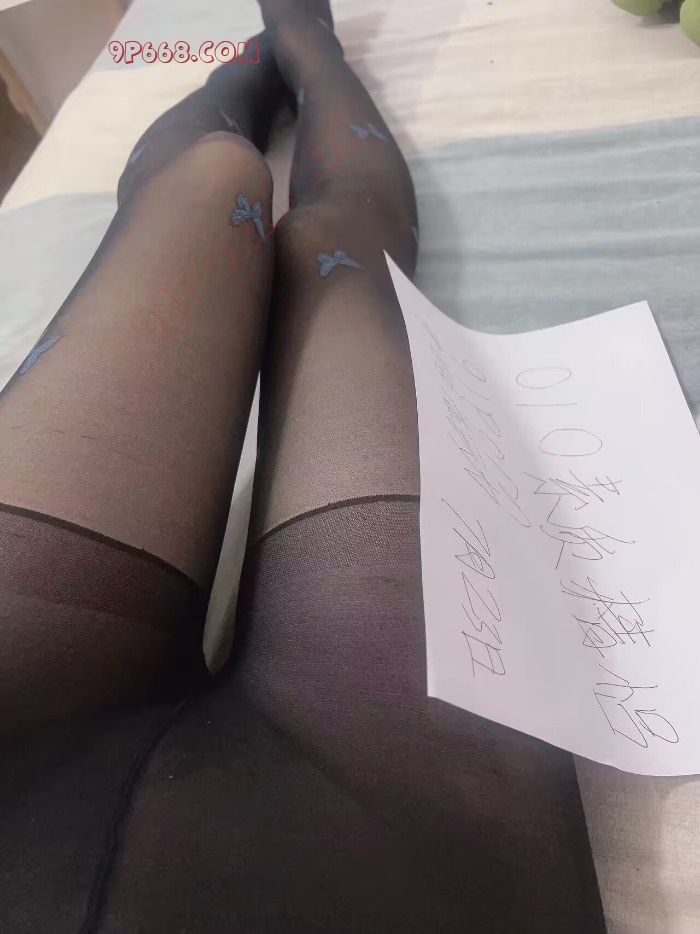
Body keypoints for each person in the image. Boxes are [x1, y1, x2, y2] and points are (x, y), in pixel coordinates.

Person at [0, 2, 605, 930]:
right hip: (398, 845)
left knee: (213, 179)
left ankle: (258, 66)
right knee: (336, 255)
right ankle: (303, 43)